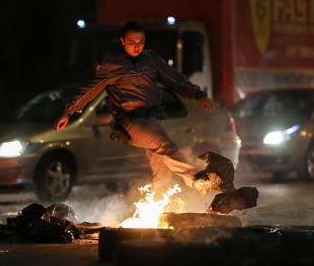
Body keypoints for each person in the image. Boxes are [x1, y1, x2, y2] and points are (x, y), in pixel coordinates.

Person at [54, 21, 218, 197]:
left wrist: (199, 95)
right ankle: (198, 179)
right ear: (123, 41)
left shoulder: (152, 60)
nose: (137, 46)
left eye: (140, 42)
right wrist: (68, 112)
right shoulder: (112, 64)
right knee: (165, 146)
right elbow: (88, 90)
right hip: (131, 122)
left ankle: (157, 204)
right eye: (132, 42)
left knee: (162, 165)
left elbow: (175, 79)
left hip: (153, 120)